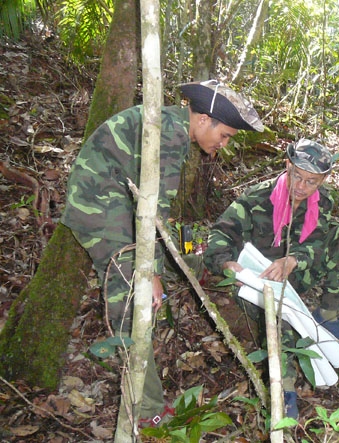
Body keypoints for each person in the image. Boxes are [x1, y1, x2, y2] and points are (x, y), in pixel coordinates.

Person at [61, 80, 264, 426]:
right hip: (99, 208)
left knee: (176, 258)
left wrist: (169, 259)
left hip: (117, 204)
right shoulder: (168, 136)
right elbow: (155, 212)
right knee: (133, 303)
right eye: (226, 135)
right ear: (203, 120)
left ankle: (203, 268)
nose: (224, 144)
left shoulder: (170, 126)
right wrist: (150, 273)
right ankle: (147, 412)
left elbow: (154, 209)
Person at [203, 139, 339, 418]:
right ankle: (284, 392)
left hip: (295, 275)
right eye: (297, 176)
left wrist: (294, 260)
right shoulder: (257, 198)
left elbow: (318, 241)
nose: (301, 186)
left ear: (323, 180)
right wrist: (228, 264)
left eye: (311, 181)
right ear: (287, 165)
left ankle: (328, 314)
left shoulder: (322, 202)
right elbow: (219, 235)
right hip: (258, 282)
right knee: (280, 314)